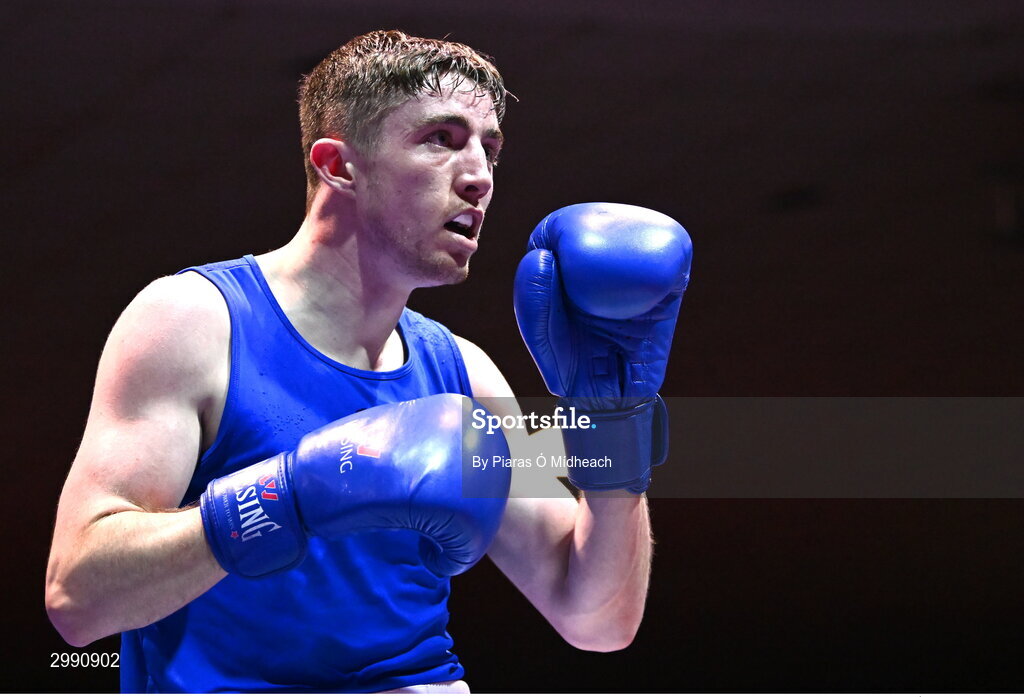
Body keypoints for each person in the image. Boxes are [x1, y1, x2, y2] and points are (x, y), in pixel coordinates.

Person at [45, 30, 690, 693]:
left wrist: (615, 431)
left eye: (489, 148)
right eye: (442, 138)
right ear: (339, 165)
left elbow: (597, 618)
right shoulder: (195, 323)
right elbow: (78, 597)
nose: (478, 177)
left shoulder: (464, 375)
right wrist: (286, 497)